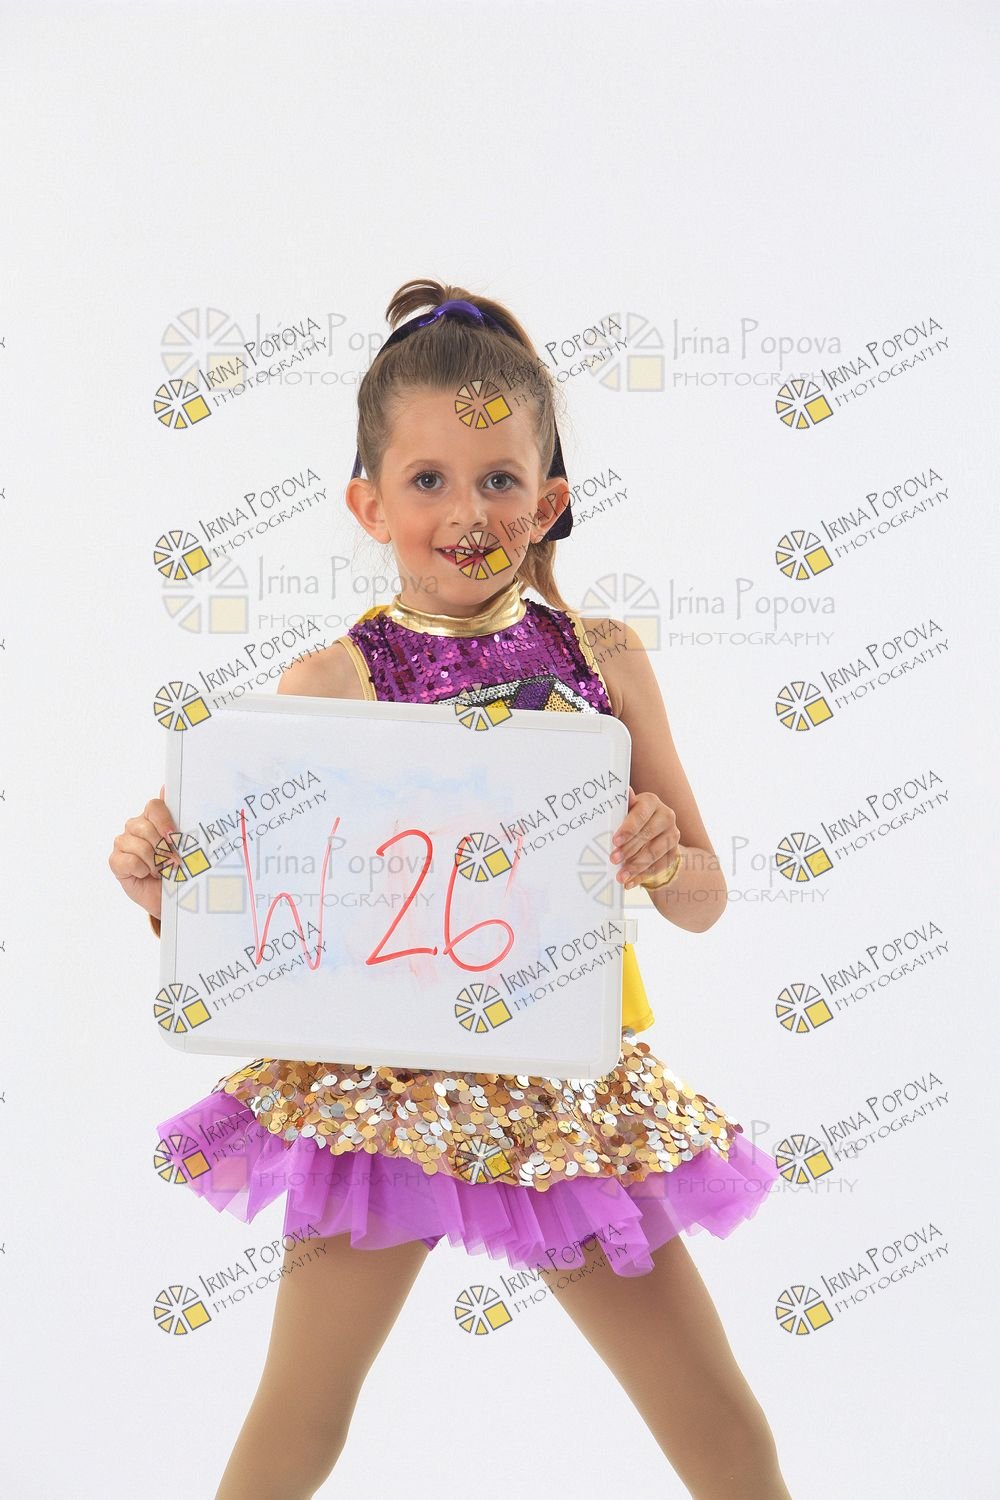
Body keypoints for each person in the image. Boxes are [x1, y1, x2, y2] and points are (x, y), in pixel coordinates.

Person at [110, 280, 792, 1499]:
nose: (467, 512)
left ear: (550, 501)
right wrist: (160, 882)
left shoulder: (602, 659)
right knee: (298, 1420)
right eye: (428, 480)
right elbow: (252, 920)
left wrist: (657, 855)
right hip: (381, 1100)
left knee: (720, 1430)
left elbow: (702, 898)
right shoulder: (330, 682)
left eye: (499, 479)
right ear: (369, 503)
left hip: (569, 1094)